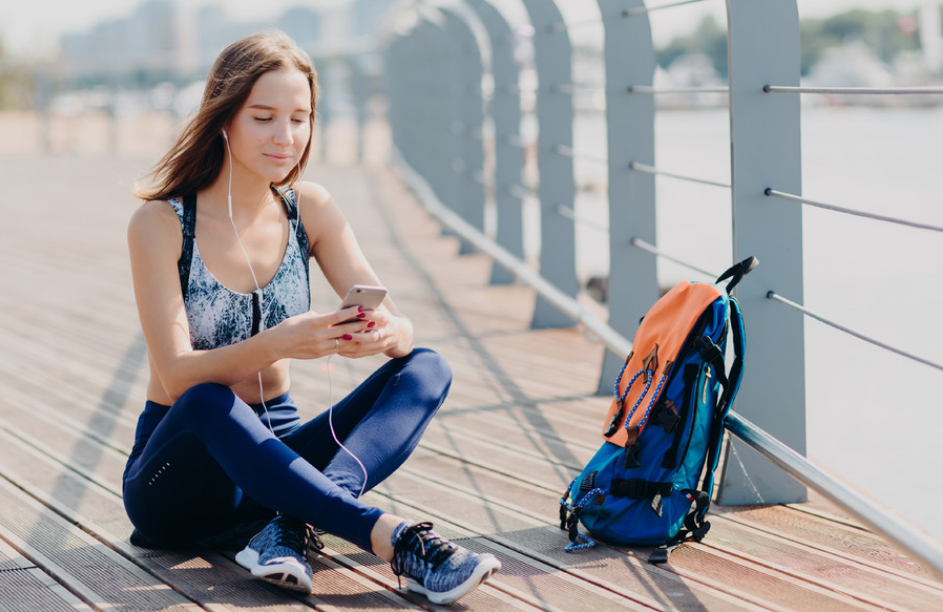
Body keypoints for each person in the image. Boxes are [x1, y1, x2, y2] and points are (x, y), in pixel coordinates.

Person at [122, 30, 500, 605]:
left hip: (279, 459)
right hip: (178, 483)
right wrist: (281, 342)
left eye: (300, 119)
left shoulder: (310, 209)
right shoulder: (162, 224)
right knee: (205, 398)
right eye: (265, 117)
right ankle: (391, 539)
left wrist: (383, 331)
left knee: (426, 367)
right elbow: (176, 376)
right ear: (224, 118)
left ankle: (293, 521)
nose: (286, 137)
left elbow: (402, 332)